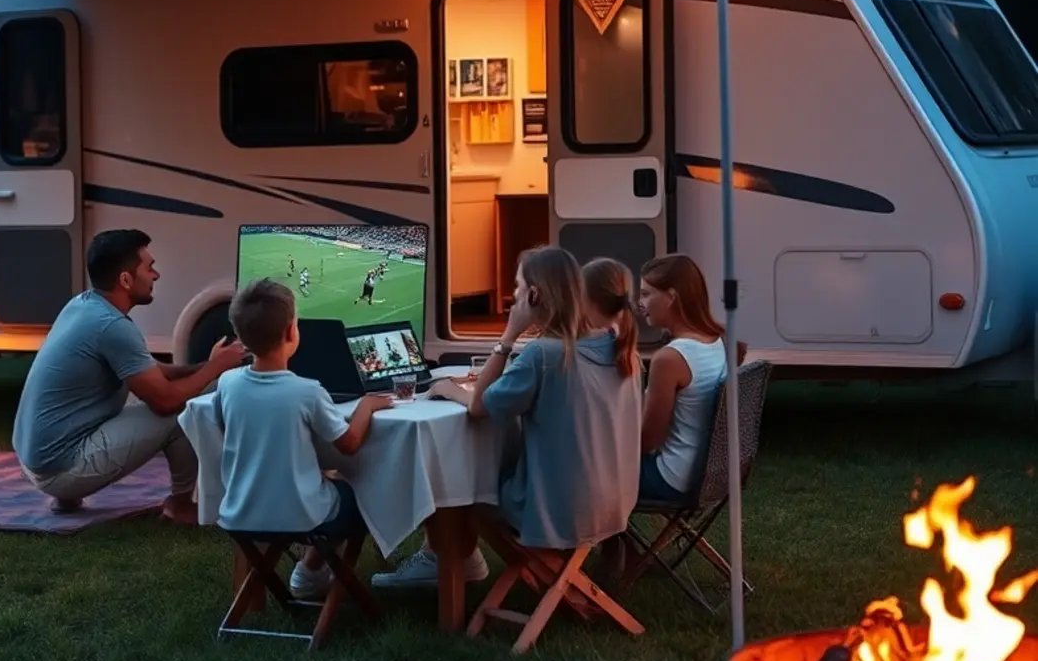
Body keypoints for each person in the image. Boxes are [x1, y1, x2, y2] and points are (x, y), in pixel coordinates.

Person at [12, 229, 245, 520]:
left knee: (163, 397)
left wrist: (203, 366)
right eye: (149, 268)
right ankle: (183, 504)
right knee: (182, 408)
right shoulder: (112, 326)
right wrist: (216, 368)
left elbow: (148, 369)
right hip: (59, 469)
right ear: (125, 279)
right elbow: (165, 402)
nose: (156, 275)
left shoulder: (83, 305)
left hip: (36, 461)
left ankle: (67, 497)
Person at [433, 248, 643, 551]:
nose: (514, 295)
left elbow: (478, 407)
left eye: (518, 287)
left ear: (533, 295)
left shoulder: (543, 354)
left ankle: (453, 566)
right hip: (614, 507)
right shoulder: (623, 349)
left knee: (452, 485)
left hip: (554, 513)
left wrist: (507, 336)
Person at [214, 278, 392, 599]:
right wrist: (367, 406)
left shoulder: (227, 382)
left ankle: (309, 574)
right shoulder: (307, 392)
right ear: (292, 333)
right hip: (301, 514)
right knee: (360, 486)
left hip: (239, 511)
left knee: (329, 477)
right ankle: (312, 573)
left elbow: (222, 424)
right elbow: (349, 445)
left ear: (240, 336)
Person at [635, 254, 737, 504]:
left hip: (669, 477)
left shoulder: (670, 359)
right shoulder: (716, 341)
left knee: (583, 468)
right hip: (705, 474)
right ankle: (616, 543)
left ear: (671, 297)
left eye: (646, 294)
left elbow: (648, 442)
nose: (640, 303)